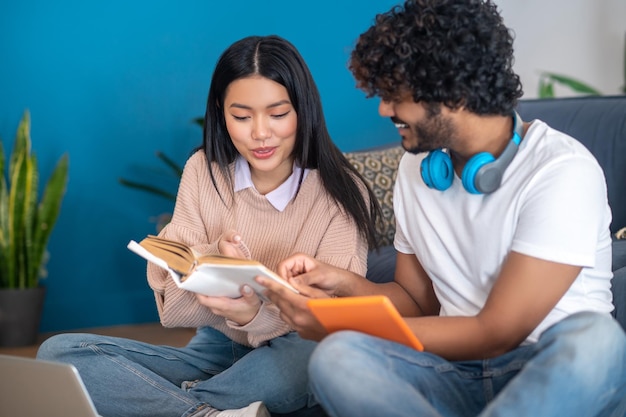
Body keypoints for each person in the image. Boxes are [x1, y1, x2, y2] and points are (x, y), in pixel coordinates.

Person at [258, 1, 626, 416]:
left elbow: (498, 331)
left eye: (394, 94)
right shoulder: (417, 170)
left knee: (595, 339)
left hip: (546, 375)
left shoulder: (562, 171)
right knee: (338, 356)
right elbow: (416, 303)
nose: (383, 109)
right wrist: (340, 284)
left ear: (454, 90)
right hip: (453, 374)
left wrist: (337, 322)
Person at [37, 34, 381, 417]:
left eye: (278, 114)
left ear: (303, 110)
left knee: (316, 361)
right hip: (217, 349)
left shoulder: (341, 193)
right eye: (241, 116)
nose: (260, 133)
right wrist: (217, 261)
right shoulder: (203, 170)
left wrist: (254, 314)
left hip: (295, 349)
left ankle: (176, 403)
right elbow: (175, 311)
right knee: (59, 354)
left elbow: (332, 319)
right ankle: (211, 411)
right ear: (220, 112)